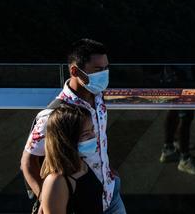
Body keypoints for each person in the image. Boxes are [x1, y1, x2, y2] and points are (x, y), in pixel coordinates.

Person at [21, 39, 126, 214]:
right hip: (81, 202)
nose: (105, 74)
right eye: (98, 70)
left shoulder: (98, 97)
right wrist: (46, 200)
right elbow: (28, 162)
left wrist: (107, 169)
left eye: (106, 68)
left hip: (110, 194)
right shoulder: (54, 115)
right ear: (75, 70)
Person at [39, 103, 103, 214]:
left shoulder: (81, 163)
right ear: (67, 140)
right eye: (86, 134)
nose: (94, 137)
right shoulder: (57, 182)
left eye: (92, 130)